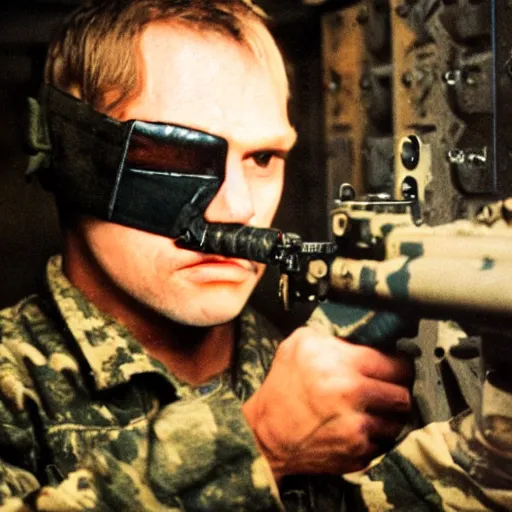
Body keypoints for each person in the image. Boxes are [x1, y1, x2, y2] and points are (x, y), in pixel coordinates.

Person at [0, 0, 510, 510]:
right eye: (181, 158)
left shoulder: (326, 377)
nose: (238, 208)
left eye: (263, 158)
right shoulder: (14, 391)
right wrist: (258, 444)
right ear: (73, 158)